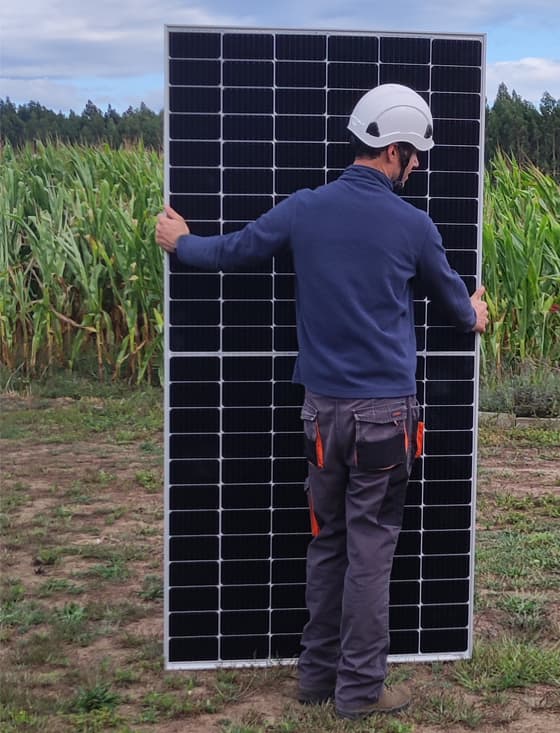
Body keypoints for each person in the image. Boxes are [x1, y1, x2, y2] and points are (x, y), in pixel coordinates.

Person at [155, 83, 489, 719]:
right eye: (414, 155)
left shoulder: (306, 208)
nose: (417, 167)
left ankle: (315, 679)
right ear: (392, 150)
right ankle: (360, 693)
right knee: (370, 549)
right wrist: (475, 315)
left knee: (327, 541)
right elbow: (455, 308)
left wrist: (183, 243)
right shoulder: (413, 226)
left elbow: (234, 250)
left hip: (321, 416)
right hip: (385, 418)